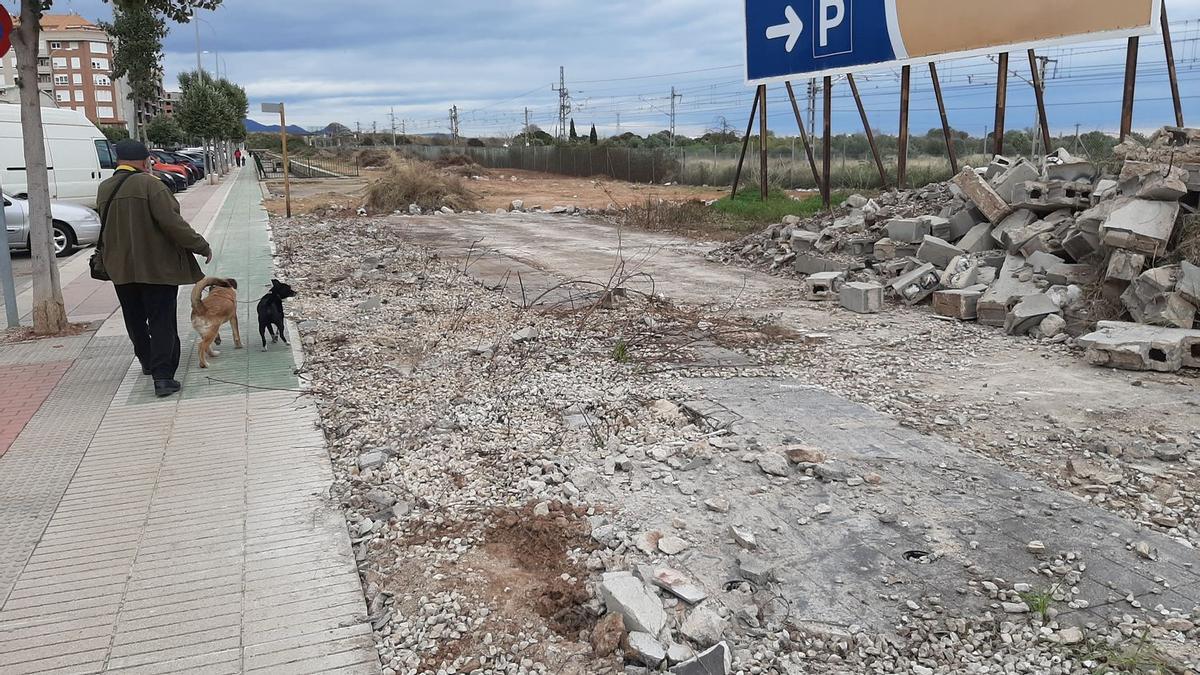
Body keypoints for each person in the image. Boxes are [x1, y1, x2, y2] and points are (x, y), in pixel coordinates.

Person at [97, 140, 213, 398]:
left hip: (121, 268)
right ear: (144, 160)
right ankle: (163, 376)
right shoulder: (152, 185)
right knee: (161, 319)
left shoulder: (105, 187)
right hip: (156, 267)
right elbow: (173, 223)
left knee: (134, 318)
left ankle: (147, 362)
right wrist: (201, 245)